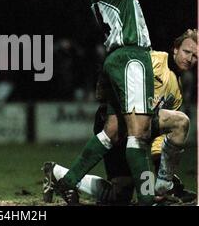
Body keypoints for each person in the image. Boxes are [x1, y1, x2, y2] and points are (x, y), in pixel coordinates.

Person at [43, 0, 154, 206]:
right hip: (131, 57)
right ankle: (151, 201)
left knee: (113, 131)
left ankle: (67, 181)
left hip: (115, 58)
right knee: (139, 134)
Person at [43, 29, 198, 205]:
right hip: (115, 119)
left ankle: (57, 173)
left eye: (195, 56)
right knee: (181, 121)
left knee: (120, 196)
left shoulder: (177, 92)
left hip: (135, 134)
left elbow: (159, 138)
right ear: (175, 49)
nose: (190, 58)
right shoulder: (152, 59)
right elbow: (121, 68)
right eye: (187, 52)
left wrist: (158, 162)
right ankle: (165, 186)